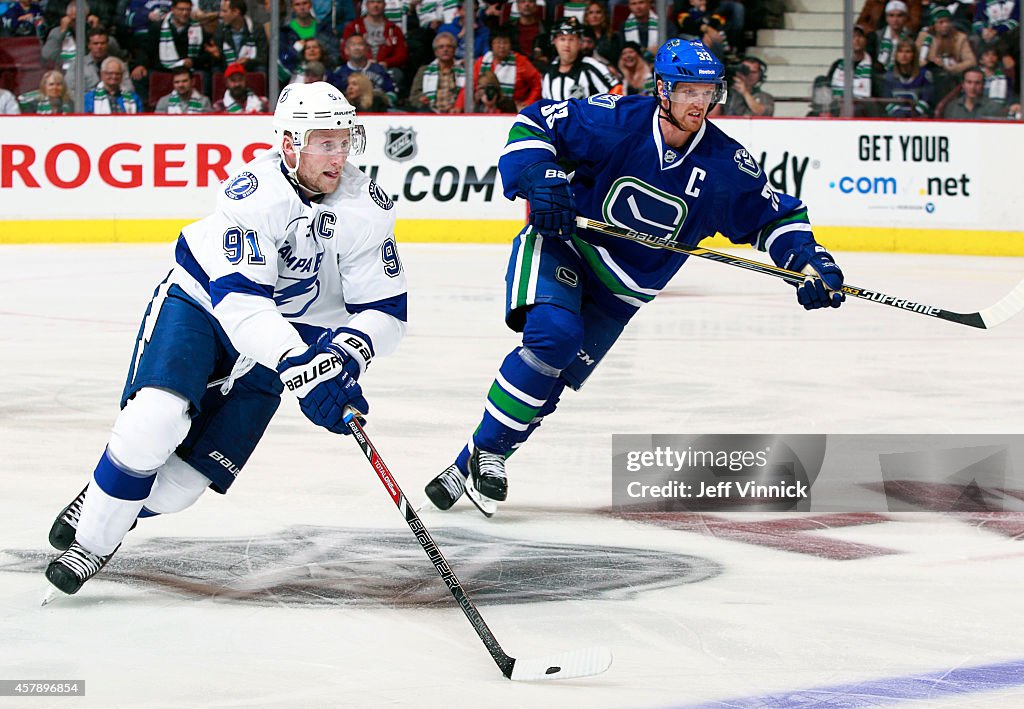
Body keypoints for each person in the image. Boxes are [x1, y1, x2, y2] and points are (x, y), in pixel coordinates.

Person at [423, 38, 845, 513]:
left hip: (620, 293)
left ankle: (472, 462)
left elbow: (773, 218)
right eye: (688, 91)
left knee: (551, 381)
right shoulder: (615, 121)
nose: (699, 103)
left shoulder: (725, 164)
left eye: (707, 92)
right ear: (663, 89)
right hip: (564, 246)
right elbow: (534, 123)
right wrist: (540, 175)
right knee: (553, 338)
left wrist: (808, 261)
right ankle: (488, 454)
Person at [45, 81, 408, 597]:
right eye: (326, 142)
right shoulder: (255, 194)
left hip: (287, 339)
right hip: (204, 309)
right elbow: (243, 307)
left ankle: (107, 496)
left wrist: (344, 356)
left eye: (345, 139)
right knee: (154, 421)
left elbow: (386, 311)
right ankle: (94, 543)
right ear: (289, 143)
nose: (340, 154)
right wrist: (301, 366)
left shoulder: (365, 206)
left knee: (181, 489)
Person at [541, 17, 621, 100]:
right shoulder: (549, 72)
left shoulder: (592, 67)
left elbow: (617, 91)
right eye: (562, 39)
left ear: (580, 42)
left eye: (572, 39)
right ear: (554, 41)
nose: (567, 44)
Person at [465, 26, 542, 111]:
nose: (502, 46)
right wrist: (458, 106)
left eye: (505, 43)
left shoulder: (521, 62)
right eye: (498, 42)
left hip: (513, 111)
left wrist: (528, 103)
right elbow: (469, 86)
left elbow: (537, 83)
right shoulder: (481, 62)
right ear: (492, 44)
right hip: (483, 111)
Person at [408, 30, 465, 112]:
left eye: (449, 46)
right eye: (441, 47)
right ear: (436, 52)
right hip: (430, 112)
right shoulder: (424, 70)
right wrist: (421, 99)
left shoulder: (464, 70)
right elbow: (414, 96)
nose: (445, 49)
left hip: (456, 112)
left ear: (454, 50)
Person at [881, 38, 933, 117]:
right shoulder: (888, 77)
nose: (904, 55)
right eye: (900, 51)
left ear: (914, 55)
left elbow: (927, 100)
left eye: (908, 51)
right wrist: (899, 114)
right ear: (896, 55)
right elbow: (887, 101)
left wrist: (914, 113)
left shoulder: (924, 75)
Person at [941, 65, 1009, 118]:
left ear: (983, 85)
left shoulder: (994, 108)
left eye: (977, 83)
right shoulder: (952, 107)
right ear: (963, 85)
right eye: (969, 82)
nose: (973, 87)